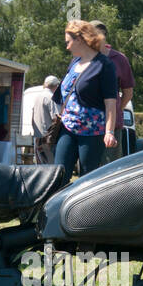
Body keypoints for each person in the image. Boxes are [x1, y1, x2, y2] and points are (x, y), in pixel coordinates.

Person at [54, 20, 119, 177]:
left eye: (68, 42)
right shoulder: (74, 62)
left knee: (87, 178)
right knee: (58, 174)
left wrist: (109, 132)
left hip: (92, 132)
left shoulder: (105, 65)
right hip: (68, 127)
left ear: (80, 39)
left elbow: (110, 103)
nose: (67, 46)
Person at [89, 20, 135, 159]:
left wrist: (115, 110)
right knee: (89, 167)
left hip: (112, 126)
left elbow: (128, 92)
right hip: (87, 124)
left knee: (111, 168)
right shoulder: (83, 57)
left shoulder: (119, 59)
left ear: (103, 35)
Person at [28, 75, 61, 163]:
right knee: (50, 165)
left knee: (40, 165)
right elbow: (57, 119)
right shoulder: (52, 98)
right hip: (48, 138)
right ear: (56, 86)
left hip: (38, 136)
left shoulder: (38, 97)